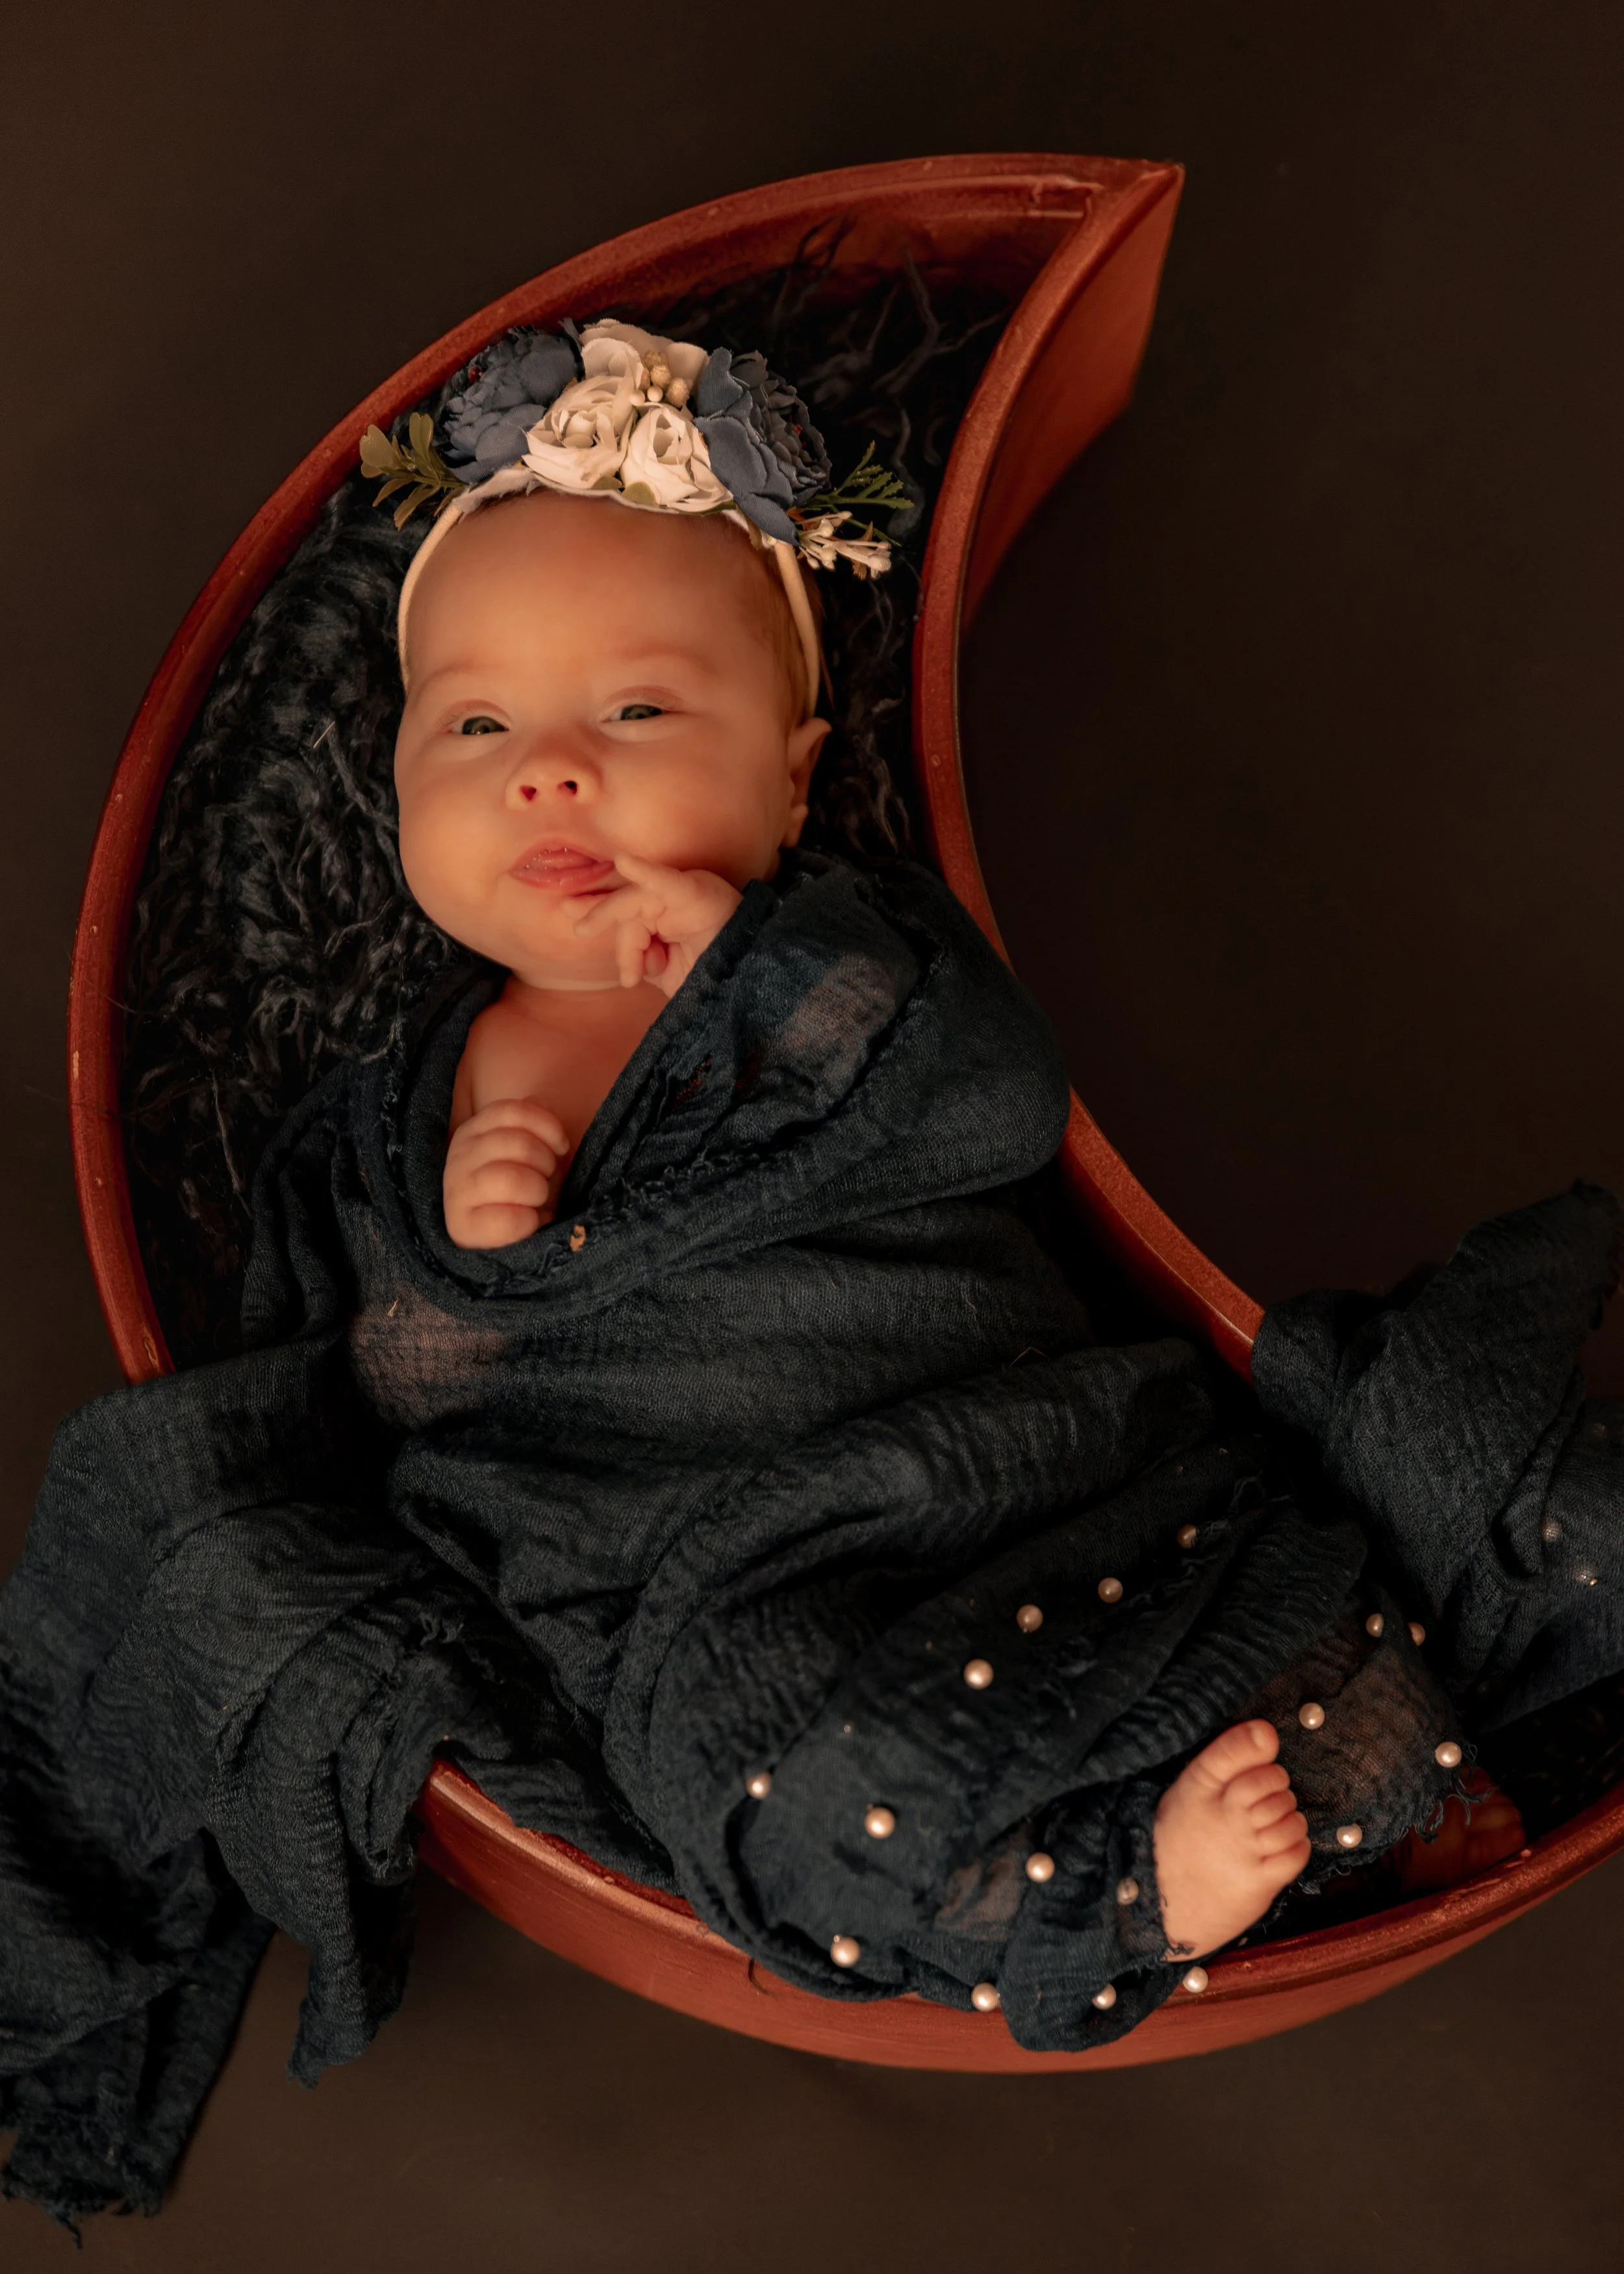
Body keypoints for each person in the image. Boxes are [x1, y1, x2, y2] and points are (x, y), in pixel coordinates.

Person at [3, 315, 1620, 2229]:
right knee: (770, 1783)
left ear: (790, 783)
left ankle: (1357, 1771)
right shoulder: (383, 1126)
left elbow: (991, 1106)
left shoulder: (843, 963)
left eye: (637, 715)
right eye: (476, 729)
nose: (551, 776)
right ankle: (1130, 1888)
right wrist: (475, 1271)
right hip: (716, 1585)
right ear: (396, 786)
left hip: (994, 1460)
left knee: (1313, 1552)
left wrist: (763, 984)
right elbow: (371, 1398)